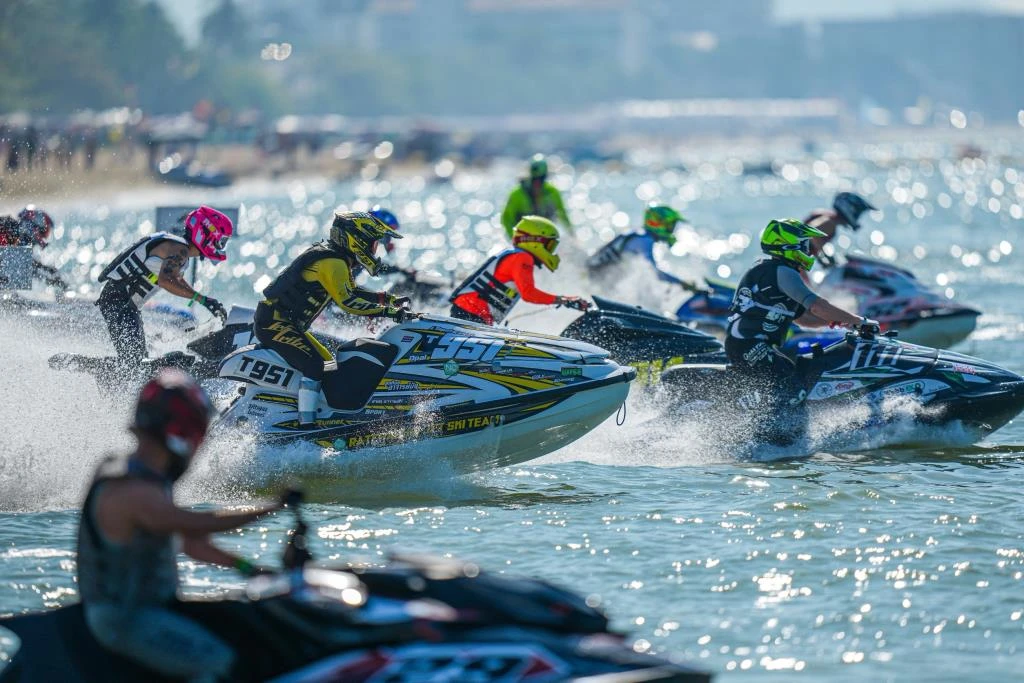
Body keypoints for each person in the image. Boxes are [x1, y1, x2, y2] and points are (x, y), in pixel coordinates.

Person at [77, 369, 285, 681]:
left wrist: (252, 570)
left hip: (157, 607)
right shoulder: (130, 487)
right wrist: (274, 506)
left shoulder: (151, 475)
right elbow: (195, 522)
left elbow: (191, 543)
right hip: (127, 618)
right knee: (223, 664)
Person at [255, 211, 410, 423]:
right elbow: (348, 302)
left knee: (328, 364)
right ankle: (306, 425)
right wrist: (388, 312)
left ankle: (323, 417)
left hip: (285, 324)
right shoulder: (333, 262)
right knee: (314, 365)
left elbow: (351, 291)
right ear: (358, 240)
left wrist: (386, 299)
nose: (374, 251)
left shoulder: (336, 259)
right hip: (273, 323)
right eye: (374, 244)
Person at [726, 218, 871, 413]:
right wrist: (859, 321)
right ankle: (776, 430)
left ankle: (771, 421)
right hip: (749, 344)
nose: (808, 251)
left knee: (795, 379)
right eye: (804, 245)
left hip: (747, 344)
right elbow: (818, 306)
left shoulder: (772, 270)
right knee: (792, 389)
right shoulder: (782, 272)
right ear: (788, 246)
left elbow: (804, 319)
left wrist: (841, 323)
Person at [96, 206, 232, 371]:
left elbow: (176, 279)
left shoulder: (179, 249)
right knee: (133, 364)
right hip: (118, 302)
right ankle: (86, 368)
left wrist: (206, 301)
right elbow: (166, 280)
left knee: (138, 359)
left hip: (125, 305)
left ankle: (96, 369)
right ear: (205, 234)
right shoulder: (179, 250)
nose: (220, 246)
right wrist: (202, 299)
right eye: (220, 241)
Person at [449, 216, 589, 326]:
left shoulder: (514, 254)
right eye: (549, 245)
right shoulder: (523, 257)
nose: (550, 251)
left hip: (469, 312)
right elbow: (528, 294)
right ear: (535, 241)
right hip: (470, 313)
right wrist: (564, 300)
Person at [586, 203, 698, 291]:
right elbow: (654, 273)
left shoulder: (638, 234)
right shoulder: (644, 240)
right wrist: (682, 283)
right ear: (660, 223)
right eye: (670, 226)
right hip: (596, 280)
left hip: (595, 277)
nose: (672, 231)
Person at [500, 154, 571, 239]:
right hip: (522, 238)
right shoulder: (517, 194)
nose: (537, 183)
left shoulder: (552, 192)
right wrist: (513, 238)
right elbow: (506, 218)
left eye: (541, 179)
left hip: (544, 237)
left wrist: (571, 234)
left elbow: (562, 214)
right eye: (535, 179)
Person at [0, 205, 69, 292]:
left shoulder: (13, 231)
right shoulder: (8, 230)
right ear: (34, 226)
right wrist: (50, 279)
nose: (44, 237)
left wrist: (47, 271)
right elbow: (20, 265)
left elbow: (22, 263)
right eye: (44, 232)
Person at [803, 191, 877, 263]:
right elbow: (811, 233)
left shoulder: (824, 214)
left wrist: (821, 259)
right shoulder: (831, 223)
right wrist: (824, 256)